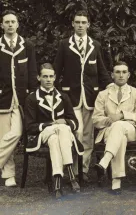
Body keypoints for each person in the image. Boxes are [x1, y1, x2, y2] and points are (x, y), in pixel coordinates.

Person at [54, 10, 113, 181]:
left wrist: (111, 86)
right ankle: (71, 167)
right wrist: (55, 93)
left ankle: (83, 170)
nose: (80, 25)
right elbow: (57, 70)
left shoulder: (95, 45)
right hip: (70, 96)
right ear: (72, 24)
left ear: (89, 25)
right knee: (76, 132)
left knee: (88, 135)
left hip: (90, 97)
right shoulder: (65, 44)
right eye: (77, 22)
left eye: (83, 22)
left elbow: (101, 70)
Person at [24, 63, 84, 198]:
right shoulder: (32, 98)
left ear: (55, 77)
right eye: (45, 76)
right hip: (42, 134)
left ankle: (57, 182)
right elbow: (30, 127)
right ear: (38, 78)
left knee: (55, 138)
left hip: (57, 136)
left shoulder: (63, 96)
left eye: (51, 76)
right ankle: (71, 174)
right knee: (59, 129)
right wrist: (51, 125)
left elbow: (75, 123)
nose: (48, 80)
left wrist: (65, 122)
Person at [92, 61, 136, 194]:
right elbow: (95, 119)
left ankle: (105, 162)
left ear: (128, 75)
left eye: (124, 72)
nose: (121, 75)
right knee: (119, 135)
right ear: (112, 75)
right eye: (117, 72)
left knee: (119, 126)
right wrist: (109, 119)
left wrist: (123, 115)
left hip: (132, 130)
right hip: (109, 131)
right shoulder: (103, 94)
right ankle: (116, 180)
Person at [0, 10, 38, 187]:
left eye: (12, 22)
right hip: (3, 98)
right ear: (2, 25)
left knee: (15, 133)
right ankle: (9, 175)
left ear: (17, 24)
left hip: (21, 99)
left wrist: (33, 94)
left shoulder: (27, 45)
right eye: (6, 22)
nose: (9, 24)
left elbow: (32, 71)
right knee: (4, 135)